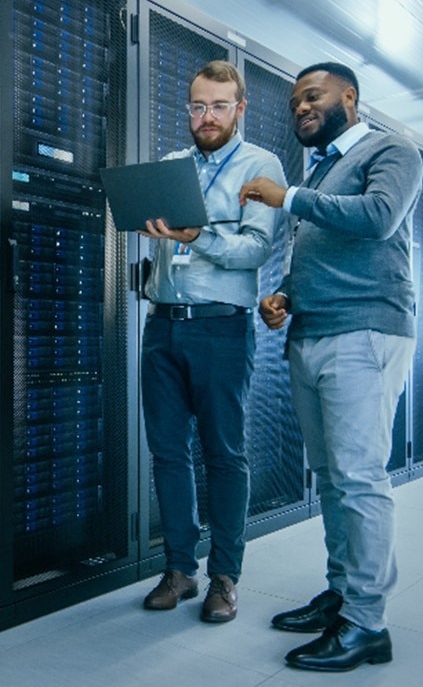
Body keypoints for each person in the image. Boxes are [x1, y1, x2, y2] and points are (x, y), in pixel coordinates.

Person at [238, 62, 421, 671]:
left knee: (360, 477)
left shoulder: (390, 150)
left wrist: (286, 196)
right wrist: (285, 293)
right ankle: (344, 595)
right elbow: (313, 249)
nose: (300, 110)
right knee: (333, 477)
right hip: (313, 332)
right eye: (294, 104)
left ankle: (369, 623)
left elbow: (378, 218)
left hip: (364, 331)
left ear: (350, 96)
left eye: (310, 97)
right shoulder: (319, 170)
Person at [137, 60, 285, 624]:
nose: (206, 117)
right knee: (167, 452)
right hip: (163, 323)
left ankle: (225, 575)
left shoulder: (260, 165)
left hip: (222, 326)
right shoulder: (172, 167)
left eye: (219, 106)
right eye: (198, 106)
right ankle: (180, 569)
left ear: (240, 108)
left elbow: (255, 251)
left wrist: (199, 237)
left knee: (224, 454)